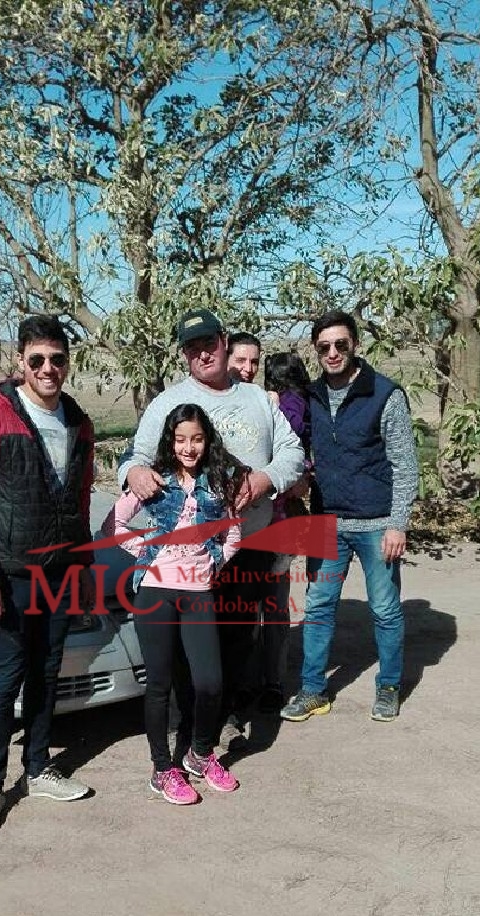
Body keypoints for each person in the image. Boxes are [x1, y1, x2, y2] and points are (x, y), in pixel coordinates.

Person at [118, 306, 305, 746]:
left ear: (224, 341)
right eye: (192, 348)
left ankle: (226, 717)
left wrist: (264, 480)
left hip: (248, 542)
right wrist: (134, 472)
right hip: (188, 555)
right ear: (185, 355)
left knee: (239, 637)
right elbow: (135, 456)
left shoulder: (258, 399)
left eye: (209, 343)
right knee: (190, 648)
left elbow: (293, 452)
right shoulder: (168, 403)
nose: (203, 354)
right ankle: (189, 725)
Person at [0, 314, 96, 838]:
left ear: (67, 362)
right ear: (20, 362)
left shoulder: (78, 421)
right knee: (6, 677)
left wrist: (83, 567)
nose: (47, 368)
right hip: (10, 576)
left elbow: (79, 502)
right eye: (37, 359)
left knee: (47, 673)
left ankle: (38, 768)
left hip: (59, 574)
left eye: (57, 359)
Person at [280, 309, 418, 724]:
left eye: (341, 344)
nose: (333, 352)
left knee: (385, 609)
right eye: (324, 346)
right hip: (327, 521)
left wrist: (397, 523)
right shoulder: (312, 395)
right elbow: (296, 441)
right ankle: (312, 690)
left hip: (377, 523)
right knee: (318, 606)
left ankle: (389, 686)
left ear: (355, 344)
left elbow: (405, 465)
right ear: (315, 350)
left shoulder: (385, 394)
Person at [105, 404, 244, 803]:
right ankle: (162, 769)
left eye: (196, 439)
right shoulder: (154, 480)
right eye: (181, 439)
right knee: (159, 685)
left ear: (207, 441)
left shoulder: (218, 482)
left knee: (210, 682)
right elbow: (115, 525)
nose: (189, 447)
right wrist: (146, 551)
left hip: (198, 592)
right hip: (156, 591)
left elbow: (233, 534)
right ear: (170, 441)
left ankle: (199, 754)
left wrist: (214, 562)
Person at [259, 352, 312, 713]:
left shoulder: (286, 404)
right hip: (272, 517)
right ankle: (265, 680)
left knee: (271, 605)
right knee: (267, 607)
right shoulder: (304, 401)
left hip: (275, 513)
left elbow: (288, 445)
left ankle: (269, 681)